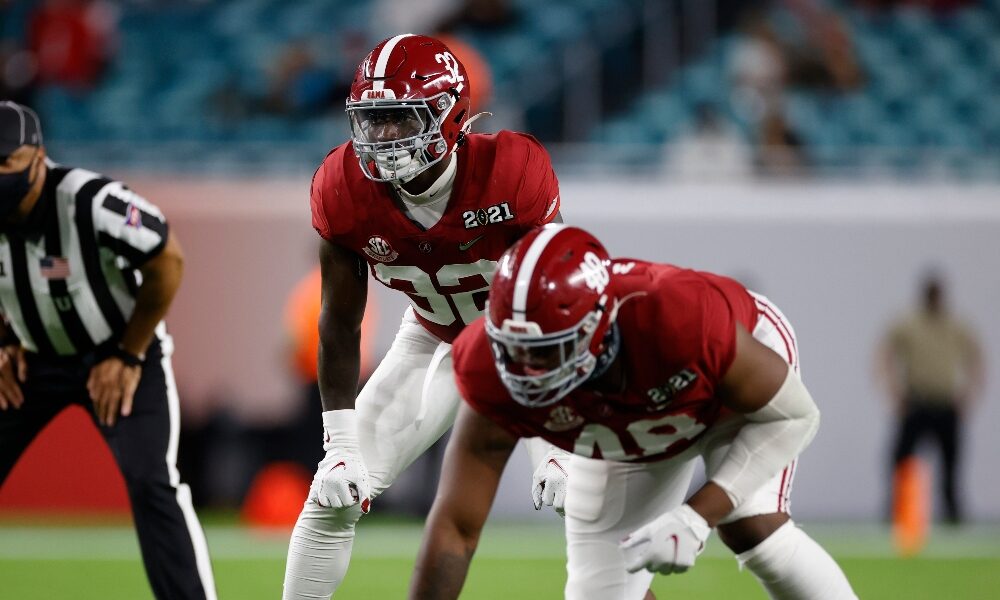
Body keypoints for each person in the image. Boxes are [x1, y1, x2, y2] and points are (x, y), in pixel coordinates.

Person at [409, 224, 858, 600]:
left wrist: (697, 515)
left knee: (752, 529)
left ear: (597, 326)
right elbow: (455, 525)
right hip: (620, 420)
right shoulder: (488, 365)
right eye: (514, 350)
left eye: (548, 351)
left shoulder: (676, 317)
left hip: (722, 391)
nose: (528, 373)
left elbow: (795, 416)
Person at [282, 34, 564, 599]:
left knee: (583, 494)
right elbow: (339, 321)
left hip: (526, 347)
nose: (381, 138)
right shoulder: (343, 188)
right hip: (432, 341)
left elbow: (555, 306)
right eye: (372, 120)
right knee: (330, 496)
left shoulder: (512, 171)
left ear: (449, 115)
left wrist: (553, 443)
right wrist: (340, 445)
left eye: (398, 118)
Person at [0, 101, 217, 599]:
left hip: (119, 352)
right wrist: (5, 341)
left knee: (150, 482)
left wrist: (128, 353)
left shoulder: (88, 200)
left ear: (37, 157)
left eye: (5, 161)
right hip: (33, 358)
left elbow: (168, 258)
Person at [877, 273, 983, 524]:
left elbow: (976, 356)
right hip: (918, 401)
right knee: (901, 459)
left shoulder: (956, 325)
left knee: (951, 464)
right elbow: (885, 353)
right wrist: (894, 392)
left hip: (946, 403)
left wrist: (968, 394)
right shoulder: (909, 324)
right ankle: (896, 511)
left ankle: (952, 515)